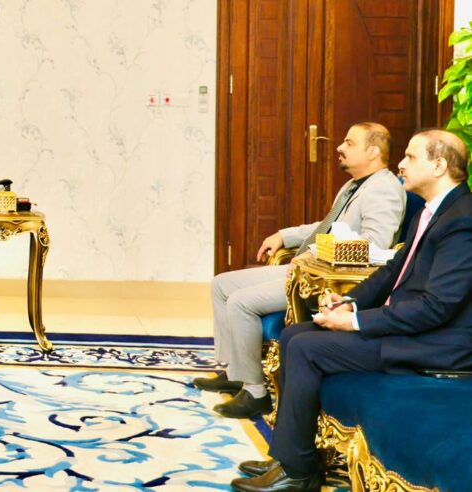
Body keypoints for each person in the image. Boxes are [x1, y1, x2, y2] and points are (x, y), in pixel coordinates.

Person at [231, 129, 472, 492]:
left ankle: (297, 472)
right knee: (294, 334)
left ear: (439, 166)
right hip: (413, 328)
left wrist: (356, 322)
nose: (401, 164)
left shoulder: (462, 222)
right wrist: (351, 302)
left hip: (437, 345)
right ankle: (291, 456)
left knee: (306, 347)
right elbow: (392, 271)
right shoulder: (432, 211)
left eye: (410, 157)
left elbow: (437, 308)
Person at [194, 122, 405, 419]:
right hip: (308, 268)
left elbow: (374, 246)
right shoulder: (354, 185)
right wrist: (285, 236)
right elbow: (328, 225)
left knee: (241, 302)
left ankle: (255, 393)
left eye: (349, 143)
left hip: (328, 280)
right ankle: (236, 372)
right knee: (221, 284)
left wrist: (314, 255)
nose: (339, 147)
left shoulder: (384, 189)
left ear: (372, 152)